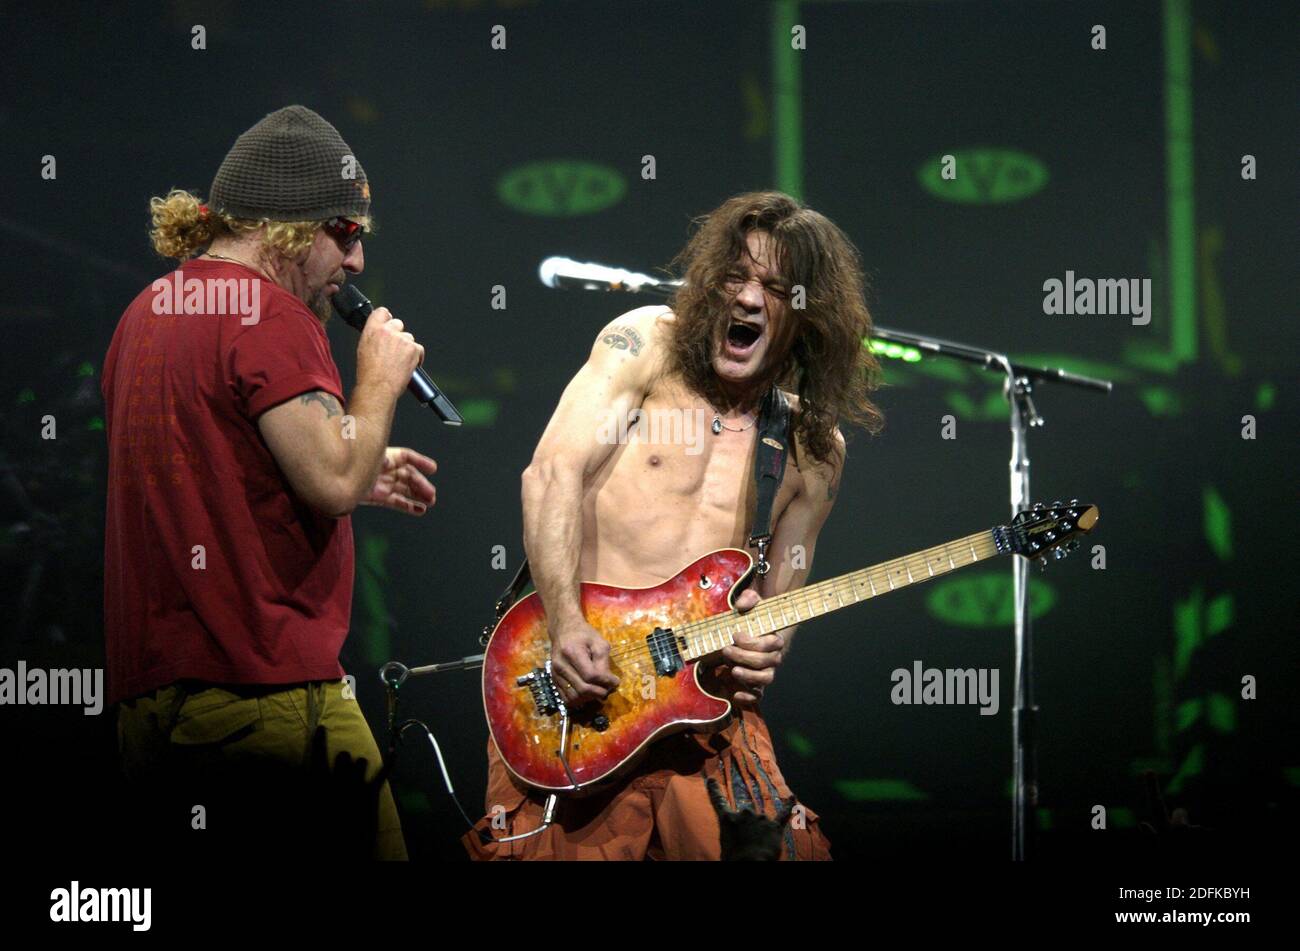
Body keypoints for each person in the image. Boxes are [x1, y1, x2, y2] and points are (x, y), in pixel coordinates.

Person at [465, 191, 883, 860]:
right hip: (582, 696)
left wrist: (764, 647)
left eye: (774, 288)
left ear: (808, 316)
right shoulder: (645, 346)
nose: (747, 298)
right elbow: (550, 477)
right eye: (735, 276)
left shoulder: (814, 446)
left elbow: (782, 596)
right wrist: (568, 626)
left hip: (702, 717)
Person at [103, 105, 436, 861]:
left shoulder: (146, 312)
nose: (354, 264)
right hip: (267, 703)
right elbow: (332, 482)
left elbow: (206, 464)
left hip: (154, 713)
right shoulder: (270, 313)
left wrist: (351, 463)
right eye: (344, 234)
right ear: (286, 226)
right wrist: (378, 384)